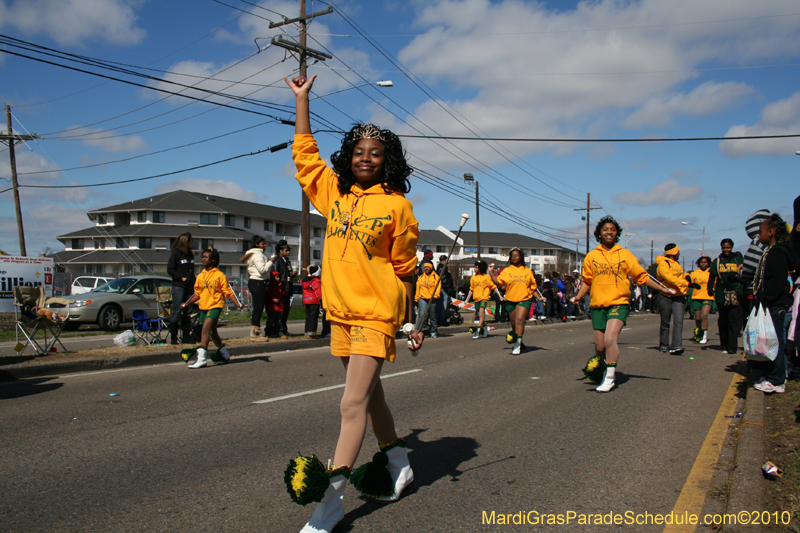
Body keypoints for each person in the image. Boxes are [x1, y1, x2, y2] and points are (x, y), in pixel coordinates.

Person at [284, 73, 423, 533]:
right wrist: (302, 100)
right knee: (371, 396)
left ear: (388, 161)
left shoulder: (398, 208)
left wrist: (410, 322)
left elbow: (405, 271)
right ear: (351, 157)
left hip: (376, 314)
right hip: (339, 313)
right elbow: (306, 158)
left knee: (350, 405)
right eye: (359, 151)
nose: (366, 158)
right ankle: (400, 462)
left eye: (376, 153)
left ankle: (331, 502)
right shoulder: (335, 195)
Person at [571, 216, 674, 392]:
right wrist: (579, 296)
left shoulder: (625, 255)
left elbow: (641, 277)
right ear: (599, 234)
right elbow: (587, 280)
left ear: (617, 233)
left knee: (610, 338)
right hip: (598, 304)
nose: (609, 232)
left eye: (612, 229)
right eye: (605, 229)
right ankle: (604, 371)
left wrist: (662, 289)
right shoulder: (592, 256)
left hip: (619, 302)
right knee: (600, 346)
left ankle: (610, 378)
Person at [752, 214, 799, 393]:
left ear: (771, 232)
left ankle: (777, 380)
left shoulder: (777, 252)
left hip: (776, 304)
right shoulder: (771, 251)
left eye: (761, 232)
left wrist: (763, 297)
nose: (759, 236)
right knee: (771, 340)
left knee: (775, 342)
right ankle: (774, 375)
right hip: (773, 303)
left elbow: (777, 281)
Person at [180, 248, 243, 368]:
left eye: (206, 257)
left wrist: (237, 303)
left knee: (205, 328)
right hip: (204, 306)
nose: (203, 259)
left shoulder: (219, 275)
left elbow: (228, 291)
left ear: (213, 260)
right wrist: (186, 303)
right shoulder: (200, 275)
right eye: (203, 257)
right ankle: (224, 353)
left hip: (216, 305)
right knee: (212, 332)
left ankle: (202, 358)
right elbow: (197, 293)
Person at [488, 248, 544, 355]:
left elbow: (532, 288)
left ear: (521, 257)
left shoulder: (527, 271)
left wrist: (539, 298)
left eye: (516, 255)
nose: (514, 257)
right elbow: (498, 282)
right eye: (512, 255)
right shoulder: (507, 271)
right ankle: (520, 339)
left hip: (524, 299)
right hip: (510, 300)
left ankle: (517, 345)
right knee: (513, 324)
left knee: (519, 320)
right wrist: (491, 272)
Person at [708, 239, 744, 354]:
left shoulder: (739, 259)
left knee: (734, 320)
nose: (726, 250)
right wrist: (710, 288)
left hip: (737, 293)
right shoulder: (717, 261)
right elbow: (712, 277)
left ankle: (732, 346)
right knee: (723, 319)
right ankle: (724, 344)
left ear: (732, 247)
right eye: (724, 248)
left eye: (728, 248)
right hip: (721, 294)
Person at [655, 244, 689, 355]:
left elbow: (680, 277)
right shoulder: (663, 264)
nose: (679, 253)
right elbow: (670, 278)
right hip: (665, 296)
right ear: (674, 253)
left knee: (679, 321)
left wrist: (687, 280)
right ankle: (664, 345)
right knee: (665, 322)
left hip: (678, 296)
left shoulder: (677, 264)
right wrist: (685, 283)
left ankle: (676, 346)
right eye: (678, 252)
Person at [241, 235, 275, 339]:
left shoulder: (253, 254)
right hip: (258, 282)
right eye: (263, 244)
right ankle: (255, 331)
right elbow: (262, 270)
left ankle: (255, 330)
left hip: (256, 282)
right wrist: (271, 261)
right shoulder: (257, 255)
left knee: (258, 307)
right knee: (258, 307)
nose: (265, 246)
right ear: (257, 245)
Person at [166, 232, 196, 345]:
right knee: (177, 312)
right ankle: (174, 338)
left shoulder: (190, 255)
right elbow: (170, 270)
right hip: (179, 287)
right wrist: (181, 278)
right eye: (191, 241)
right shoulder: (176, 254)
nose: (192, 243)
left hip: (189, 287)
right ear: (185, 242)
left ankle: (186, 337)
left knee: (188, 312)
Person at [465, 260, 503, 339]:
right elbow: (471, 289)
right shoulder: (473, 278)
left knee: (481, 314)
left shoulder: (486, 277)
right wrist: (467, 300)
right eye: (474, 267)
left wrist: (500, 296)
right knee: (480, 315)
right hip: (476, 299)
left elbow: (494, 287)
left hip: (484, 298)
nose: (475, 269)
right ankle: (485, 330)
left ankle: (477, 331)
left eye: (476, 267)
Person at [688, 255, 713, 344]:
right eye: (702, 262)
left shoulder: (710, 273)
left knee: (704, 315)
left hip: (707, 297)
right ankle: (698, 332)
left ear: (708, 263)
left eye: (705, 262)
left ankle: (705, 335)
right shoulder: (695, 273)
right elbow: (689, 283)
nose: (703, 264)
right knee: (698, 318)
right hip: (696, 297)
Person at [415, 260, 441, 338]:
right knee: (422, 314)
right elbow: (418, 287)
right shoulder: (421, 277)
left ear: (431, 268)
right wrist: (417, 297)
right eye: (425, 267)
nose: (426, 268)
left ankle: (433, 331)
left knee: (432, 315)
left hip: (432, 298)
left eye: (428, 267)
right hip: (422, 298)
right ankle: (418, 330)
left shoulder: (435, 276)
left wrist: (435, 296)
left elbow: (438, 286)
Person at [275, 239, 295, 339]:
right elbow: (277, 276)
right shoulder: (278, 261)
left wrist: (292, 274)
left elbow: (288, 275)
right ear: (281, 251)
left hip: (288, 289)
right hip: (281, 290)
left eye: (288, 251)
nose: (288, 252)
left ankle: (284, 329)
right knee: (281, 311)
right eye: (286, 251)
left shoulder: (287, 261)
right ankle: (280, 330)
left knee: (286, 310)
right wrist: (283, 287)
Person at [302, 265, 323, 337]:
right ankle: (312, 333)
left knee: (308, 317)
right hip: (314, 301)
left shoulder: (305, 280)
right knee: (313, 317)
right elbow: (318, 292)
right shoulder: (316, 281)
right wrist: (321, 301)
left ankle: (306, 332)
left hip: (306, 300)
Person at [265, 270, 284, 339]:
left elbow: (281, 295)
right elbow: (268, 296)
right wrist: (273, 299)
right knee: (271, 320)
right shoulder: (270, 286)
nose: (278, 278)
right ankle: (269, 332)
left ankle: (276, 332)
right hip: (272, 306)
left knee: (278, 320)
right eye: (276, 277)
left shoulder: (279, 285)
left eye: (279, 277)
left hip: (278, 306)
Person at [435, 255, 454, 327]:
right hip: (443, 288)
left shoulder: (442, 267)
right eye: (446, 260)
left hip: (444, 288)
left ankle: (442, 320)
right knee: (443, 305)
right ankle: (441, 320)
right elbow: (443, 278)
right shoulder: (441, 267)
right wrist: (447, 285)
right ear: (443, 260)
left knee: (444, 305)